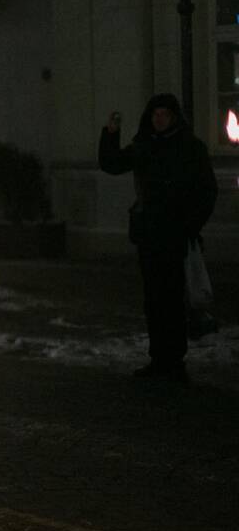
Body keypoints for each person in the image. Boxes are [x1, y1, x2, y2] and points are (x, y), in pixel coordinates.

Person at [99, 93, 217, 381]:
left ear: (174, 117)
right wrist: (111, 134)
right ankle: (159, 357)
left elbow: (206, 190)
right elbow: (113, 163)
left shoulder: (190, 147)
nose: (159, 119)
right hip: (150, 234)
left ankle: (173, 360)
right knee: (154, 299)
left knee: (173, 298)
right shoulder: (145, 145)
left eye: (164, 114)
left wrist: (190, 225)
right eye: (155, 115)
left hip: (175, 234)